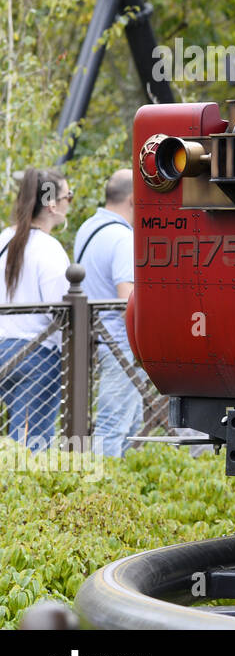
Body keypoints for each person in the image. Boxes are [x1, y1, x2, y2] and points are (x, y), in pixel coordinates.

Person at [0, 169, 73, 450]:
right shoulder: (49, 250)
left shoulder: (5, 239)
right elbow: (62, 312)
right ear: (52, 204)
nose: (70, 202)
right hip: (38, 356)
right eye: (69, 196)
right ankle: (19, 491)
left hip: (4, 348)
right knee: (31, 445)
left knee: (16, 441)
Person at [75, 170, 140, 457]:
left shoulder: (87, 228)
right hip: (119, 344)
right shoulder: (123, 238)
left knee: (133, 419)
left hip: (95, 340)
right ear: (134, 200)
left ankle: (116, 485)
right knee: (114, 425)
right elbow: (127, 298)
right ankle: (103, 489)